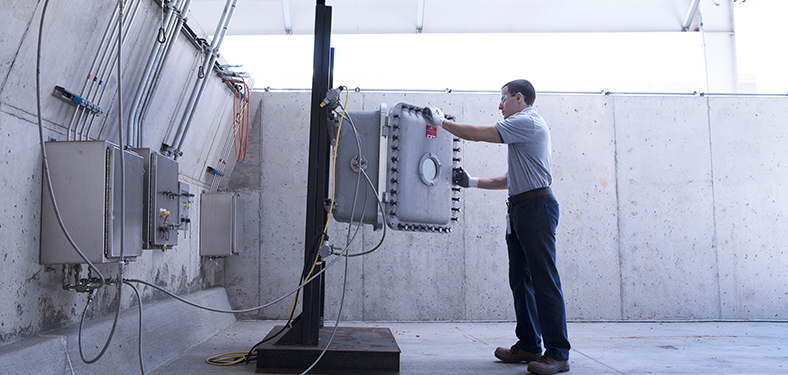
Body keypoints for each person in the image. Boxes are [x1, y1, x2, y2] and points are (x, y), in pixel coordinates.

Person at [426, 79, 571, 375]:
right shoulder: (522, 130)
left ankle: (558, 353)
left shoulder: (527, 121)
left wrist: (441, 123)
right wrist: (472, 182)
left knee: (544, 281)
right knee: (520, 280)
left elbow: (481, 134)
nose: (499, 104)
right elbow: (510, 179)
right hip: (520, 208)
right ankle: (530, 344)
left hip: (536, 208)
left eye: (502, 98)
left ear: (519, 98)